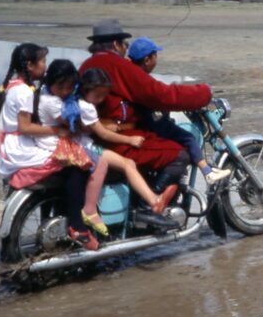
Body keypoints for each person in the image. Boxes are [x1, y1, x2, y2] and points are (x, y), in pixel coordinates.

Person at [78, 19, 212, 217]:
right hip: (117, 137)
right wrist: (202, 93)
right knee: (179, 155)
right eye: (124, 44)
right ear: (115, 44)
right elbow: (159, 94)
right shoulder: (115, 64)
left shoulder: (87, 65)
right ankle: (148, 205)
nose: (125, 49)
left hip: (96, 135)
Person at [39, 60, 179, 236]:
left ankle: (2, 236)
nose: (101, 100)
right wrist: (129, 140)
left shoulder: (43, 96)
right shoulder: (84, 107)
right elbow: (103, 135)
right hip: (83, 147)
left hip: (16, 154)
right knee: (126, 163)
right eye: (98, 96)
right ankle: (152, 201)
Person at [0, 43, 98, 250]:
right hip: (21, 148)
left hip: (12, 147)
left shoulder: (12, 86)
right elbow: (25, 127)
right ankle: (77, 225)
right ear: (30, 65)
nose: (44, 66)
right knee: (78, 166)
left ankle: (47, 216)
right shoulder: (25, 92)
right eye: (42, 61)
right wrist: (57, 131)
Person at [126, 36, 230, 184]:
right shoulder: (142, 80)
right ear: (147, 60)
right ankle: (207, 171)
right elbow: (162, 97)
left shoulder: (132, 75)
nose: (157, 58)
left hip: (145, 122)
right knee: (188, 138)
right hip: (152, 124)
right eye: (155, 55)